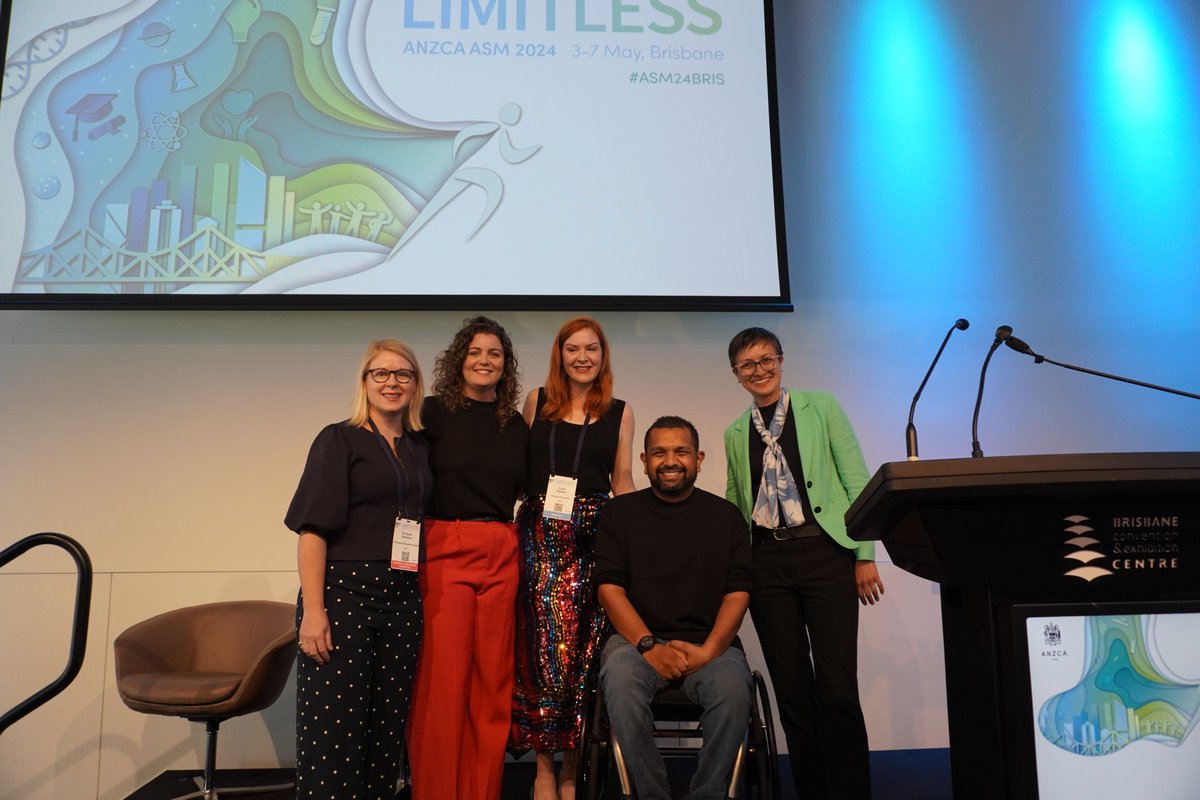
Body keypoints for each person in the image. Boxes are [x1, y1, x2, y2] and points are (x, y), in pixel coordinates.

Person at [722, 327, 883, 800]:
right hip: (767, 564)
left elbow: (858, 484)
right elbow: (735, 505)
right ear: (736, 375)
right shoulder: (735, 433)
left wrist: (864, 555)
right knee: (792, 693)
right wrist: (736, 571)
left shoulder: (822, 407)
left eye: (766, 359)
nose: (759, 370)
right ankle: (812, 791)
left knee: (837, 689)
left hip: (826, 556)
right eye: (747, 365)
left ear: (781, 360)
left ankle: (852, 792)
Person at [285, 339, 432, 799]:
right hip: (344, 597)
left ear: (415, 384)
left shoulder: (418, 446)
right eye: (381, 373)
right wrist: (314, 611)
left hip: (402, 598)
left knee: (385, 735)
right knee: (334, 733)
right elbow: (312, 531)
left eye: (403, 374)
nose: (392, 382)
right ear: (365, 381)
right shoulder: (339, 439)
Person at [594, 416, 755, 800]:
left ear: (698, 459)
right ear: (644, 460)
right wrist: (650, 646)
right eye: (659, 452)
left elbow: (738, 593)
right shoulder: (619, 514)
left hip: (710, 645)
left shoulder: (726, 517)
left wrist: (709, 651)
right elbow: (609, 590)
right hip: (636, 643)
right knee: (619, 679)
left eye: (681, 451)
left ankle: (708, 794)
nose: (670, 461)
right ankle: (653, 794)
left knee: (733, 690)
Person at [510, 317, 635, 800]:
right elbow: (516, 473)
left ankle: (572, 769)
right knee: (541, 655)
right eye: (573, 349)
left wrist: (641, 537)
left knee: (584, 655)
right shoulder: (536, 402)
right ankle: (544, 767)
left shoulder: (620, 411)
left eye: (592, 349)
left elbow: (622, 479)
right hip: (538, 539)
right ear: (559, 355)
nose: (583, 357)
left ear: (603, 356)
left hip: (593, 539)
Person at [408, 316, 529, 800]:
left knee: (492, 685)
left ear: (505, 364)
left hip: (502, 547)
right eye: (475, 352)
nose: (484, 361)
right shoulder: (431, 414)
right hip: (445, 546)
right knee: (443, 684)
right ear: (459, 359)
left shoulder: (514, 423)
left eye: (494, 353)